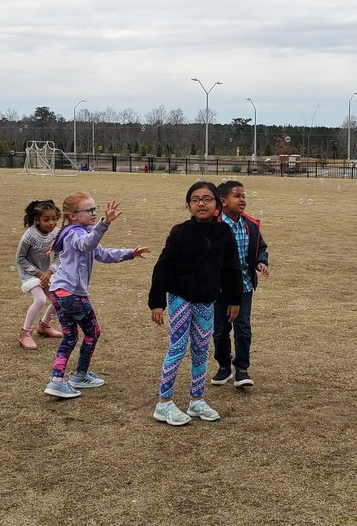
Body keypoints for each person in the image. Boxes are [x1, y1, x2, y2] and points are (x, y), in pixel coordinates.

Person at [148, 181, 241, 426]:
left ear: (217, 203)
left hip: (207, 301)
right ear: (189, 205)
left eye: (207, 199)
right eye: (195, 199)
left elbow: (231, 269)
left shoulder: (224, 233)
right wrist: (157, 302)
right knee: (177, 348)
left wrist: (234, 299)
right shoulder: (180, 232)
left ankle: (196, 400)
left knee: (201, 351)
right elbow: (163, 267)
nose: (201, 203)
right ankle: (164, 403)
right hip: (180, 298)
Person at [43, 193, 149, 399]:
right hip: (71, 295)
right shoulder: (75, 234)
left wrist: (130, 253)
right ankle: (79, 376)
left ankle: (58, 380)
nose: (95, 214)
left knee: (71, 336)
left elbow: (102, 253)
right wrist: (105, 223)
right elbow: (87, 245)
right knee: (93, 333)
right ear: (73, 216)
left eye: (95, 209)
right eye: (89, 210)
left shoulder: (82, 231)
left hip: (60, 293)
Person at [211, 180, 269, 388]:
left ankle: (242, 368)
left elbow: (260, 247)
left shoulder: (250, 226)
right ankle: (224, 366)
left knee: (243, 328)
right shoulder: (213, 224)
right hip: (218, 289)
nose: (242, 200)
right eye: (237, 196)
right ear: (223, 201)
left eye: (244, 196)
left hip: (244, 287)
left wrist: (261, 261)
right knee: (220, 329)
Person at [15, 199, 63, 350]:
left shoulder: (56, 233)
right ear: (36, 220)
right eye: (46, 219)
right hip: (30, 274)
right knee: (40, 300)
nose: (51, 223)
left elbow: (59, 255)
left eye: (54, 219)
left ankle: (44, 325)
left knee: (59, 299)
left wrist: (49, 272)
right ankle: (25, 334)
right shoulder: (29, 236)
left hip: (47, 273)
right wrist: (39, 274)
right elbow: (20, 258)